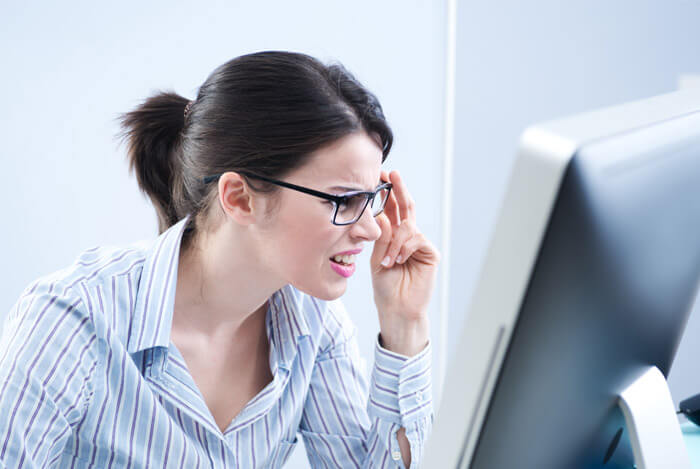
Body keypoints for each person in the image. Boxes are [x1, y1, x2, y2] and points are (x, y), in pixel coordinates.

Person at [0, 51, 439, 468]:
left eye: (372, 198)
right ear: (240, 198)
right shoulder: (73, 318)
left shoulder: (315, 327)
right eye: (343, 200)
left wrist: (404, 325)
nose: (373, 229)